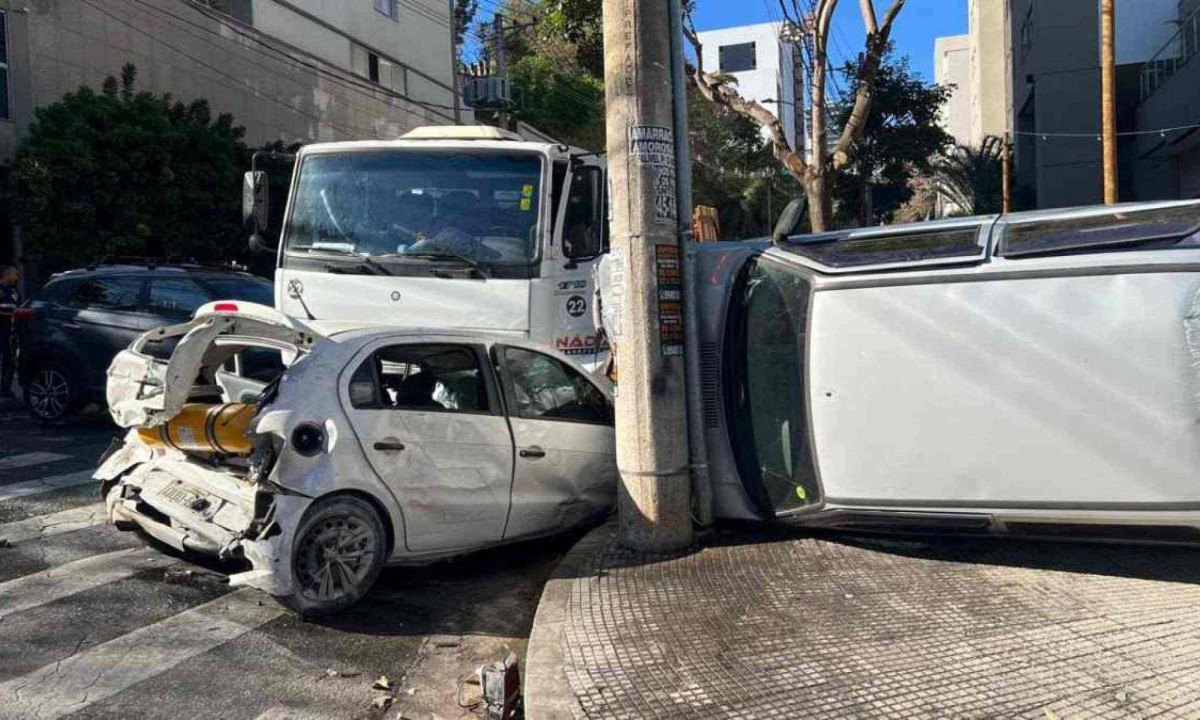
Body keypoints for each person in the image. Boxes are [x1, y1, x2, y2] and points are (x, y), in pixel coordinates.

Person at [0, 265, 20, 399]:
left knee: (10, 359)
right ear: (6, 275)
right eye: (14, 274)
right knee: (7, 359)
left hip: (11, 330)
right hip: (2, 328)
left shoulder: (14, 291)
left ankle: (5, 388)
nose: (17, 277)